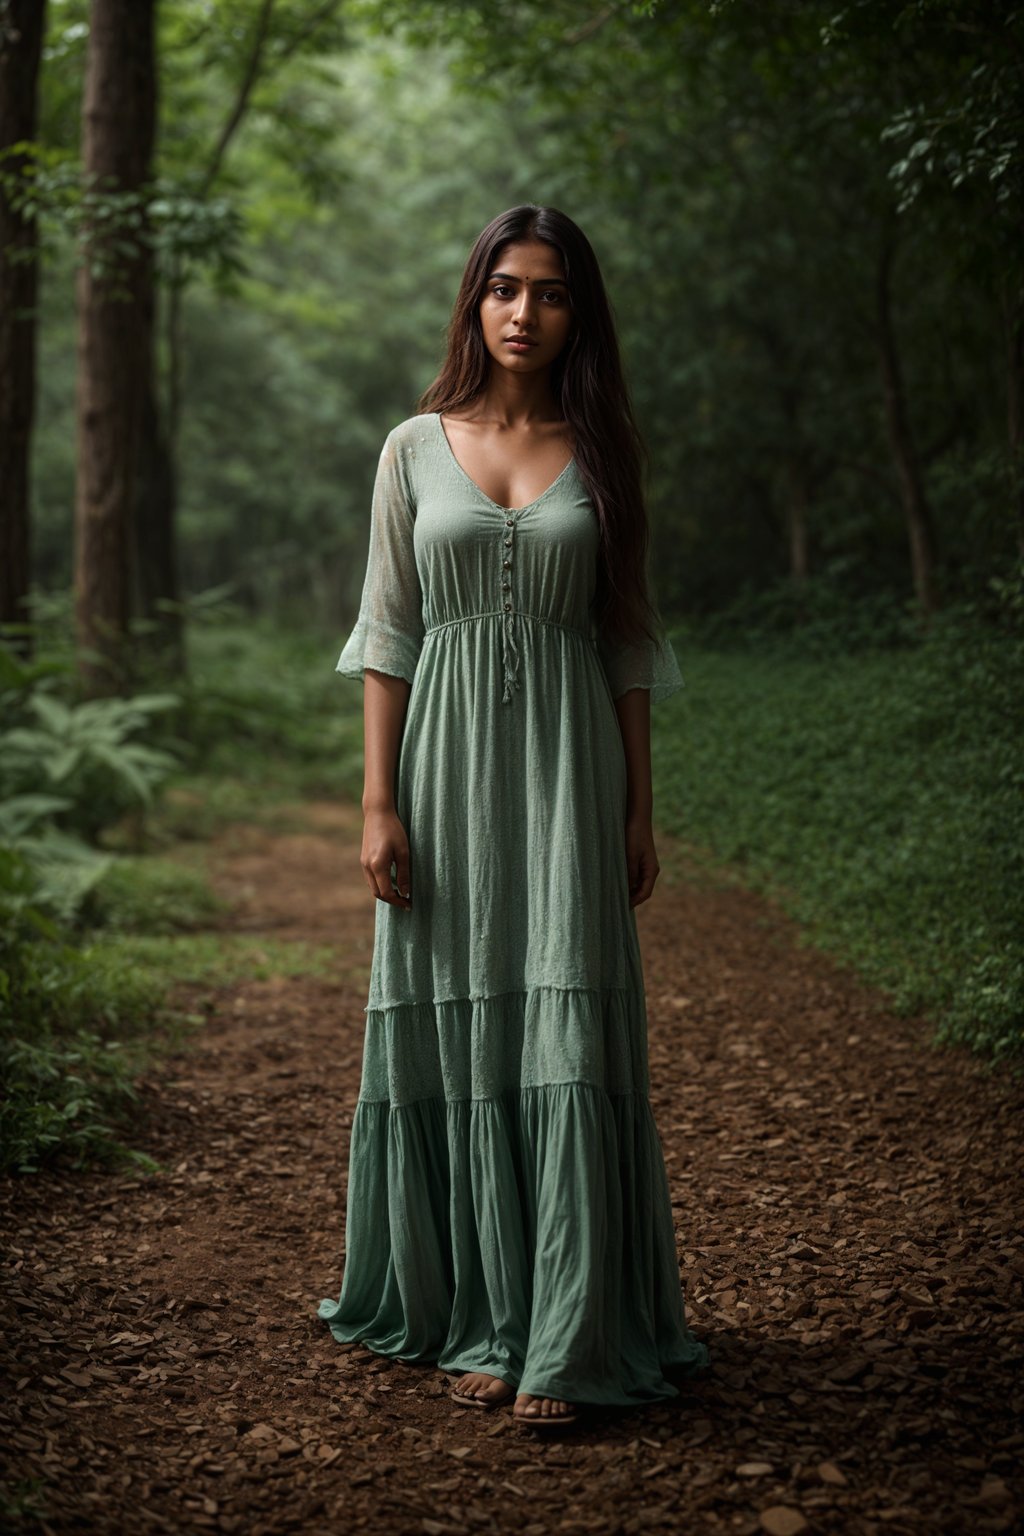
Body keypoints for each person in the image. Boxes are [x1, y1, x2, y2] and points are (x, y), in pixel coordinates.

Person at [316, 204, 709, 1431]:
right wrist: (379, 801)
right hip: (437, 770)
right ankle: (477, 1314)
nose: (523, 312)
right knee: (457, 1017)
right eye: (503, 287)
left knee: (562, 1025)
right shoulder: (410, 448)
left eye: (547, 292)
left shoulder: (604, 452)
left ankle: (567, 1325)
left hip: (565, 776)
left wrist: (642, 805)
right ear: (473, 301)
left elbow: (626, 637)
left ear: (575, 313)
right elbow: (389, 631)